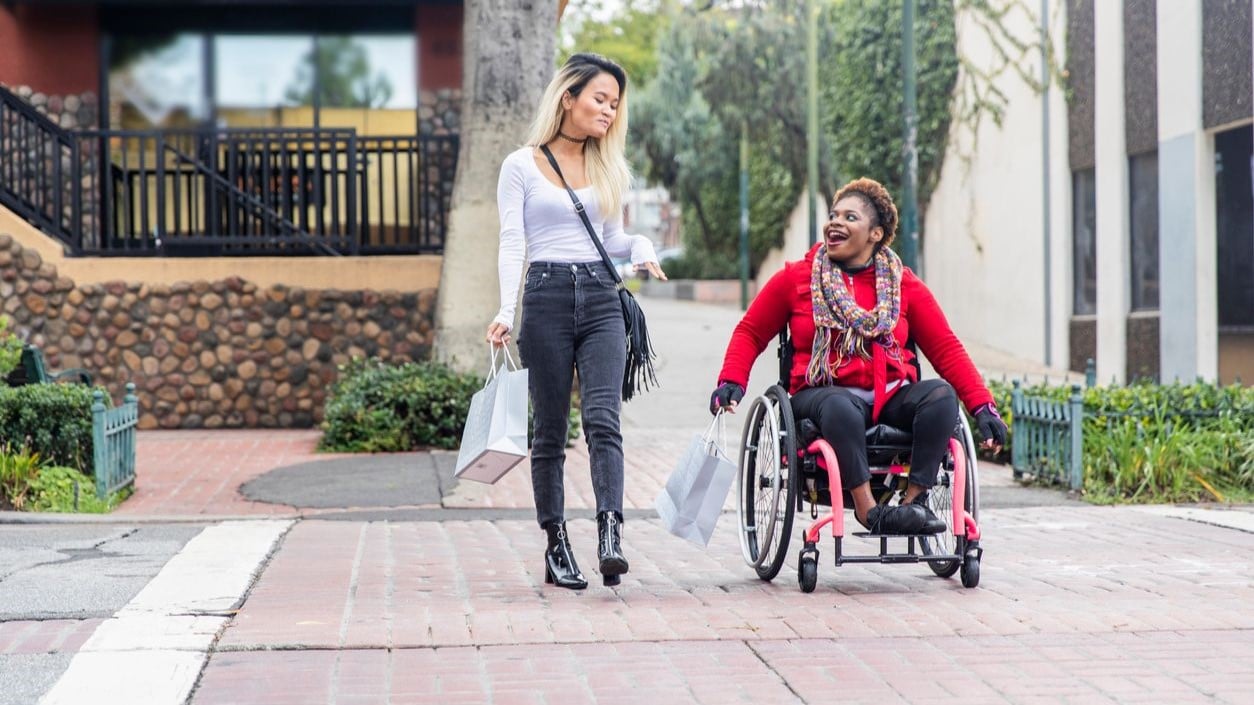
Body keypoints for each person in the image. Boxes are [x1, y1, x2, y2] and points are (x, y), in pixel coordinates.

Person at [710, 178, 1006, 535]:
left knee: (942, 396)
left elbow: (945, 347)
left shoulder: (903, 284)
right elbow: (751, 332)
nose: (835, 222)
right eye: (833, 215)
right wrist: (731, 381)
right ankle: (870, 512)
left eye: (850, 217)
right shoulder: (797, 279)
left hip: (890, 395)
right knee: (840, 404)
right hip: (820, 394)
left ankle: (913, 503)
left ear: (875, 234)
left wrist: (983, 408)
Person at [485, 53, 666, 590]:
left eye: (615, 104)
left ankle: (611, 534)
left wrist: (644, 247)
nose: (609, 111)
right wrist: (504, 310)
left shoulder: (612, 169)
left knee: (604, 420)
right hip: (544, 299)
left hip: (600, 296)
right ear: (568, 97)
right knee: (550, 431)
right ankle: (556, 543)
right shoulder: (520, 165)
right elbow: (513, 241)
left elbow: (614, 245)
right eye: (599, 99)